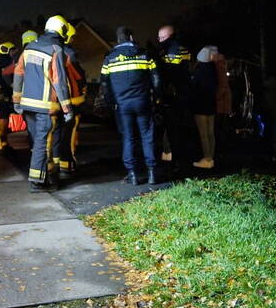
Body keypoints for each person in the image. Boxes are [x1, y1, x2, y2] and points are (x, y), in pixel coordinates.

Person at [13, 16, 75, 192]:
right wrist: (67, 108)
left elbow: (18, 74)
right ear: (61, 30)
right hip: (45, 106)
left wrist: (16, 101)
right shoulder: (56, 49)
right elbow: (59, 81)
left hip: (27, 105)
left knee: (37, 142)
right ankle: (36, 182)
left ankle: (41, 178)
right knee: (42, 143)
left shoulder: (29, 48)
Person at [101, 26, 161, 185]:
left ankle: (132, 174)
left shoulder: (109, 58)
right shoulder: (144, 54)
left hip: (122, 105)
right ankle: (152, 173)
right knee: (147, 136)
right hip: (142, 102)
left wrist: (111, 102)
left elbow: (104, 84)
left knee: (128, 138)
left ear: (118, 39)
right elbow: (156, 78)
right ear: (131, 37)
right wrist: (155, 98)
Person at [154, 25, 192, 169]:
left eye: (162, 38)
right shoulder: (182, 48)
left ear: (170, 36)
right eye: (159, 38)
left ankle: (176, 161)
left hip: (173, 96)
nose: (160, 40)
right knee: (180, 128)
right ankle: (179, 158)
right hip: (183, 93)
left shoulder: (171, 50)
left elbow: (171, 73)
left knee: (173, 130)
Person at [56, 22, 87, 179]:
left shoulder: (54, 51)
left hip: (57, 101)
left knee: (59, 134)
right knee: (69, 134)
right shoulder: (70, 54)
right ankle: (69, 163)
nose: (73, 40)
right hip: (72, 99)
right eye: (72, 37)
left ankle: (62, 165)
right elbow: (79, 76)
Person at [191, 45, 219, 169]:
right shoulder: (213, 69)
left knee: (203, 134)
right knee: (211, 132)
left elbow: (194, 87)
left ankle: (207, 159)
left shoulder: (198, 71)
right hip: (211, 103)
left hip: (200, 104)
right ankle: (211, 157)